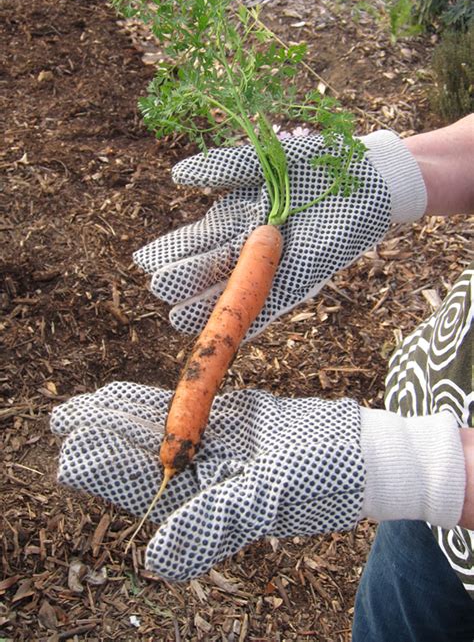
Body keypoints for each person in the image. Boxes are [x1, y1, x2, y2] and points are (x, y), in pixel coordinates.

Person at [50, 114, 474, 641]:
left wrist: (426, 469)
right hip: (436, 456)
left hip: (436, 476)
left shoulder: (424, 472)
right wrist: (394, 171)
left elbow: (429, 474)